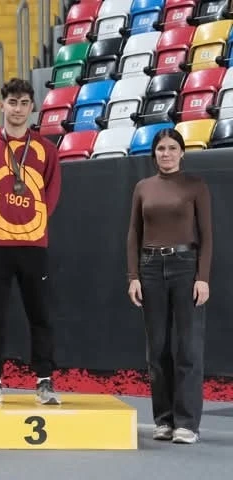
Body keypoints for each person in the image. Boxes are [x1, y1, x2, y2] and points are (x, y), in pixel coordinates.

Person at [0, 78, 62, 405]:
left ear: (32, 107)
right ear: (1, 105)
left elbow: (51, 194)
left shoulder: (46, 150)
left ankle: (44, 380)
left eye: (24, 103)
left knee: (41, 314)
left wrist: (31, 224)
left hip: (33, 244)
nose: (18, 109)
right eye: (12, 102)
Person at [126, 128, 212, 444]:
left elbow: (207, 235)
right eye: (161, 148)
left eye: (172, 148)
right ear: (154, 154)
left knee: (188, 348)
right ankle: (163, 420)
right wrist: (133, 276)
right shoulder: (143, 187)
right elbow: (133, 233)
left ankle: (187, 423)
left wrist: (203, 278)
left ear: (182, 152)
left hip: (185, 267)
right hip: (150, 268)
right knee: (158, 348)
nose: (166, 153)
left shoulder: (195, 186)